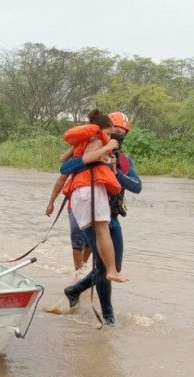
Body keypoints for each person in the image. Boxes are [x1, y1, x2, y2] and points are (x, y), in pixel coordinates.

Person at [59, 111, 142, 326]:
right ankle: (109, 317)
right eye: (115, 131)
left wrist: (116, 174)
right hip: (90, 212)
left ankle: (74, 290)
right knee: (104, 268)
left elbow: (137, 187)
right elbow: (65, 168)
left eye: (123, 133)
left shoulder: (124, 161)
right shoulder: (92, 148)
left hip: (112, 216)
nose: (118, 135)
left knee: (114, 266)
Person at [60, 110, 127, 284]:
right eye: (111, 132)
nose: (113, 136)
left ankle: (84, 273)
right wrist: (107, 146)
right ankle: (110, 270)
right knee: (100, 231)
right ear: (105, 129)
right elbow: (87, 158)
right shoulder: (98, 139)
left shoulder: (84, 141)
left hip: (79, 193)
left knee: (92, 236)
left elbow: (63, 162)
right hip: (90, 188)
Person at [45, 155, 91, 280]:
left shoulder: (103, 157)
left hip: (95, 204)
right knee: (77, 236)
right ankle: (78, 272)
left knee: (90, 240)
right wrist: (51, 202)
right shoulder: (76, 160)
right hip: (75, 203)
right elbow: (61, 180)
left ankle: (84, 265)